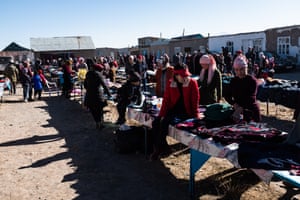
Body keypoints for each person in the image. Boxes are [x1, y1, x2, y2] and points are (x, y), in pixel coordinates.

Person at [150, 63, 200, 160]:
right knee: (156, 122)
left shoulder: (192, 83)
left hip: (186, 112)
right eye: (182, 75)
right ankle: (161, 147)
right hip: (173, 110)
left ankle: (160, 149)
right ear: (176, 75)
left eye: (185, 74)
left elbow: (195, 101)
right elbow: (166, 100)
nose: (184, 77)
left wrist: (196, 118)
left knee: (165, 123)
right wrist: (161, 114)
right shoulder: (171, 83)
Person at [224, 54, 261, 122]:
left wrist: (240, 108)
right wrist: (234, 104)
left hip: (251, 111)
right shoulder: (234, 81)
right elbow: (227, 95)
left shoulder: (252, 81)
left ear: (246, 68)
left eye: (242, 69)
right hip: (238, 111)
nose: (239, 72)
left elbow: (251, 98)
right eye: (236, 70)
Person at [84, 59, 112, 129]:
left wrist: (89, 89)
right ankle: (100, 124)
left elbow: (85, 85)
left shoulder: (88, 74)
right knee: (99, 110)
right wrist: (109, 94)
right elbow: (104, 85)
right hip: (98, 95)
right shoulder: (98, 74)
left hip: (89, 96)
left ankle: (97, 123)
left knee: (93, 110)